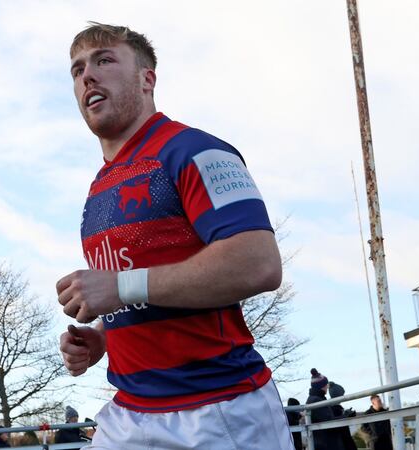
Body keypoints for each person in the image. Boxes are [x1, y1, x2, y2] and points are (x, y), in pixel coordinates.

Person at [56, 22, 293, 450]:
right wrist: (105, 340)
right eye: (77, 69)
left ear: (147, 79)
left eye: (104, 60)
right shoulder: (99, 186)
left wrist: (119, 288)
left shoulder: (194, 150)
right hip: (128, 411)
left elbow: (258, 263)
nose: (87, 75)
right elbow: (137, 295)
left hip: (217, 411)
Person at [305, 369, 346, 450]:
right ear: (321, 386)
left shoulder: (316, 399)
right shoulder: (316, 400)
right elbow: (329, 422)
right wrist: (345, 416)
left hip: (323, 443)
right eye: (325, 384)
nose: (327, 386)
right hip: (325, 444)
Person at [328, 382, 357, 450]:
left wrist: (347, 415)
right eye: (342, 395)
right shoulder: (335, 409)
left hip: (342, 442)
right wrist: (346, 415)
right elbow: (339, 427)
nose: (343, 397)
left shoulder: (332, 408)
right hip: (342, 443)